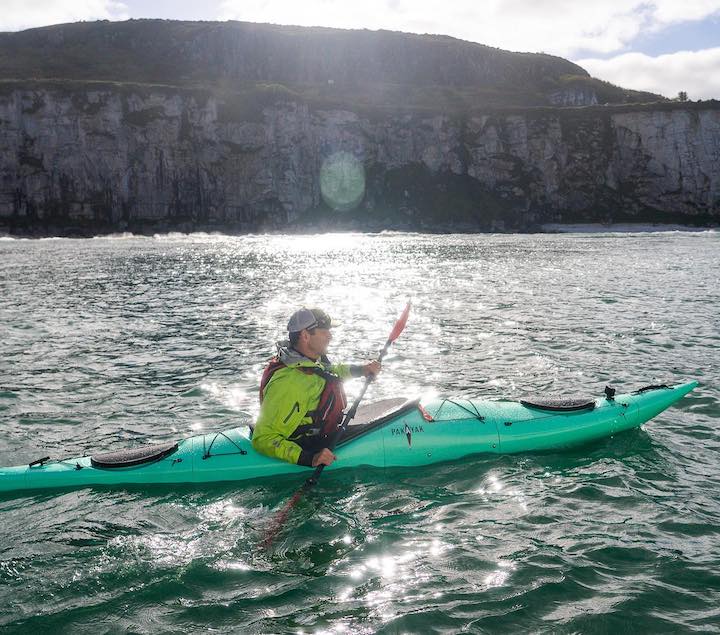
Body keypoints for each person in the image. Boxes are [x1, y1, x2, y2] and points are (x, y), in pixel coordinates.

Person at [252, 307, 381, 468]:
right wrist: (309, 459)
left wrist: (362, 370)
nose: (330, 336)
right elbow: (263, 438)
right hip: (304, 447)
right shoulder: (290, 383)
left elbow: (330, 372)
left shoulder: (308, 361)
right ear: (305, 335)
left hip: (321, 434)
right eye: (324, 331)